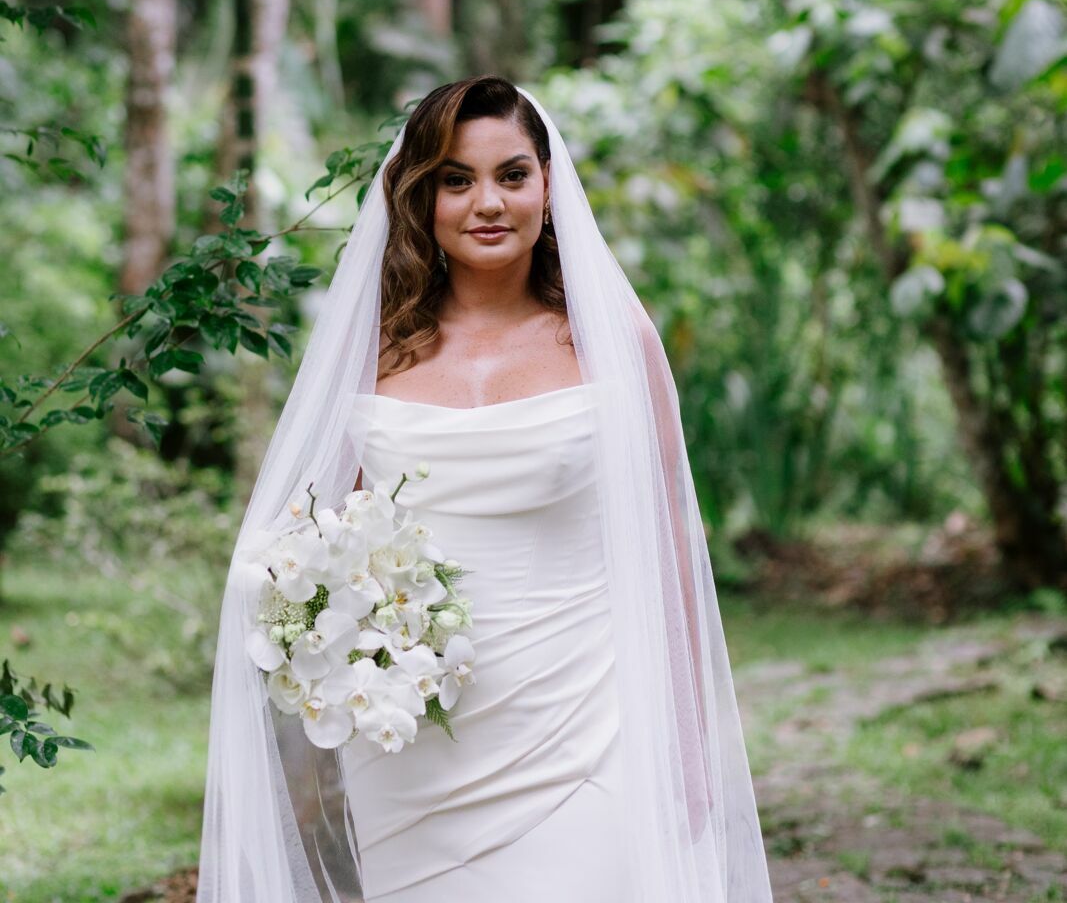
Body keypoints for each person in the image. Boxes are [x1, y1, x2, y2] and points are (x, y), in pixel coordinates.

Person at [196, 75, 774, 903]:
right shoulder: (375, 348)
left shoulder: (610, 339)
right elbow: (317, 543)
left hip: (587, 718)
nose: (487, 203)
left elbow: (671, 541)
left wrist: (686, 739)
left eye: (511, 175)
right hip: (413, 741)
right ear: (421, 198)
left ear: (548, 183)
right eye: (455, 180)